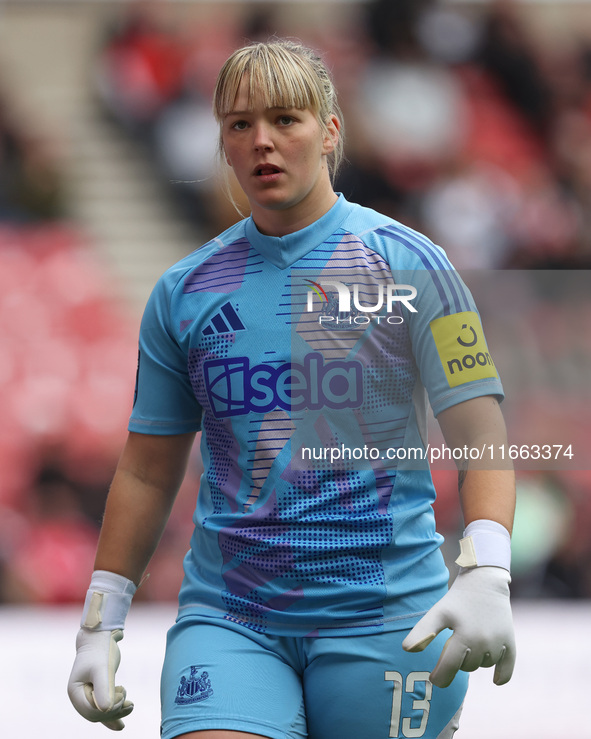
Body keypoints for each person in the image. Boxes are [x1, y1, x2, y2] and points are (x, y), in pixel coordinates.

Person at [68, 39, 516, 739]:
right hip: (230, 616)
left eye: (285, 120)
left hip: (386, 618)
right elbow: (146, 469)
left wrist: (487, 570)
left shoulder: (411, 265)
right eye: (240, 125)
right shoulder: (182, 293)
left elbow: (480, 434)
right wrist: (101, 615)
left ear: (330, 131)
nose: (262, 143)